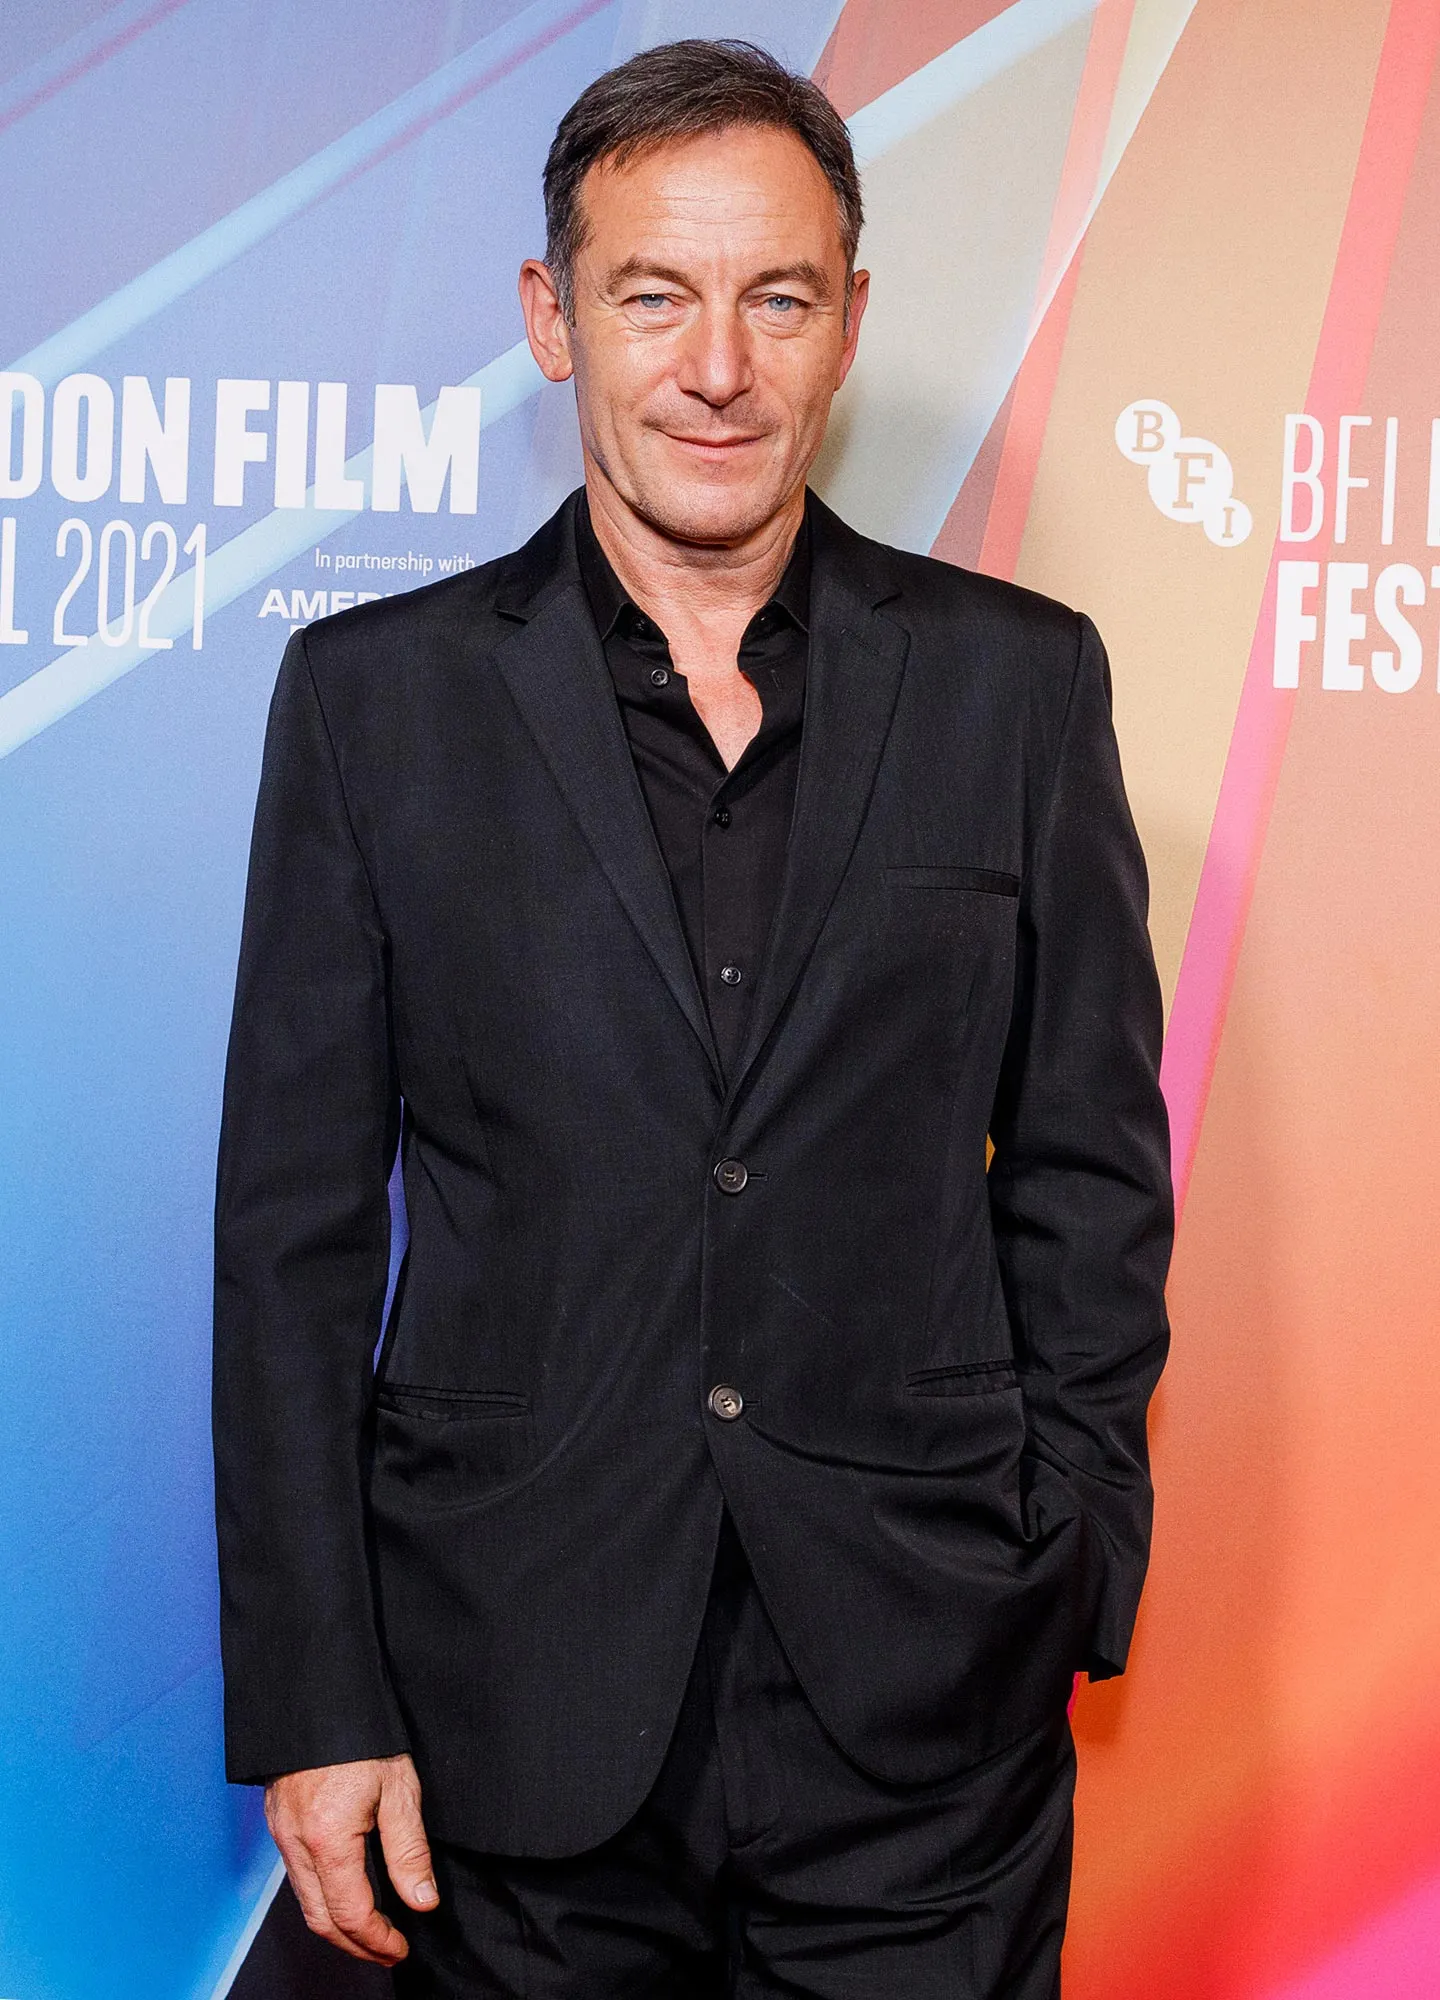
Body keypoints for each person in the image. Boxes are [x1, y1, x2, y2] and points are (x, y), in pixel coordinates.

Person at [213, 37, 1173, 1998]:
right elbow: (291, 1240)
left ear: (850, 326)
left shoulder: (1018, 689)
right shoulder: (375, 704)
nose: (717, 366)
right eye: (653, 296)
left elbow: (1089, 1176)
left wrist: (1065, 1560)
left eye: (777, 298)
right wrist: (317, 1695)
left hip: (927, 1721)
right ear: (551, 318)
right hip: (503, 1709)